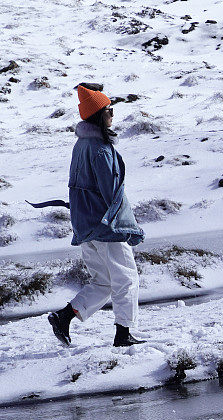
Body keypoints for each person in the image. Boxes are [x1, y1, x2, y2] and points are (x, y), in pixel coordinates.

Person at [48, 84, 146, 347]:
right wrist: (130, 229)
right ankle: (123, 334)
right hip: (105, 227)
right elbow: (112, 196)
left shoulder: (81, 145)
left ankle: (64, 316)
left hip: (85, 226)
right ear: (99, 115)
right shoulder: (101, 150)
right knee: (126, 278)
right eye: (109, 110)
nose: (113, 115)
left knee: (103, 281)